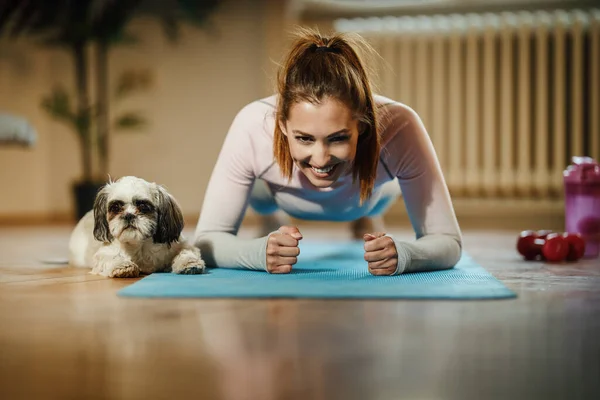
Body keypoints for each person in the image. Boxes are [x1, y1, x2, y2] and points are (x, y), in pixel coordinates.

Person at [193, 28, 462, 276]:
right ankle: (270, 217)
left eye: (338, 138)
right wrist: (257, 252)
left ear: (363, 125)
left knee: (378, 193)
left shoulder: (399, 125)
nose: (321, 159)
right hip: (277, 195)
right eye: (304, 138)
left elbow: (447, 241)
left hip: (368, 197)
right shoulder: (252, 124)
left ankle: (366, 216)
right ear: (283, 125)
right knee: (256, 191)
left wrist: (406, 255)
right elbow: (207, 239)